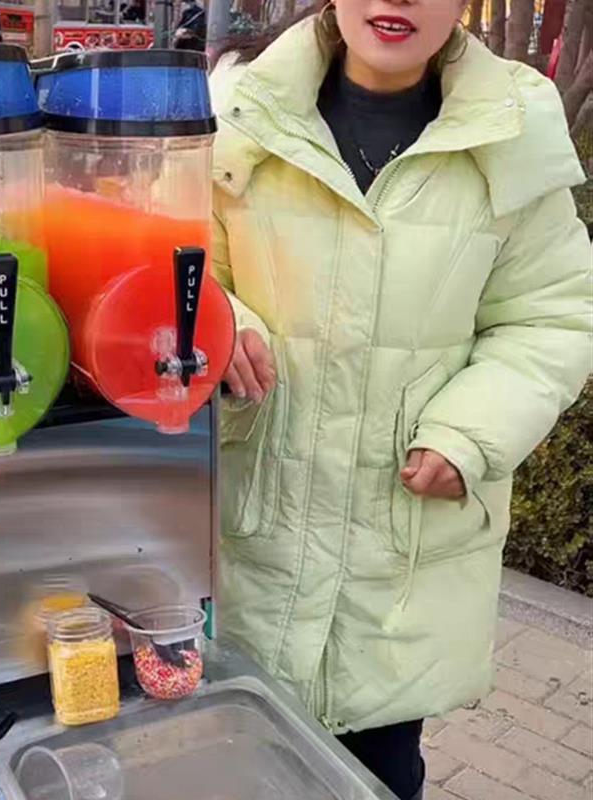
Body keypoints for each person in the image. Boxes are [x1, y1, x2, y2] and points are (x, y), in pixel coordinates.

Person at [210, 2, 591, 799]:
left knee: (375, 777)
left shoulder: (509, 131)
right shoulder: (239, 113)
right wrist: (220, 321)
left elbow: (555, 312)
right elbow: (176, 256)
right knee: (221, 763)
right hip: (246, 538)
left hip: (394, 562)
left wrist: (471, 433)